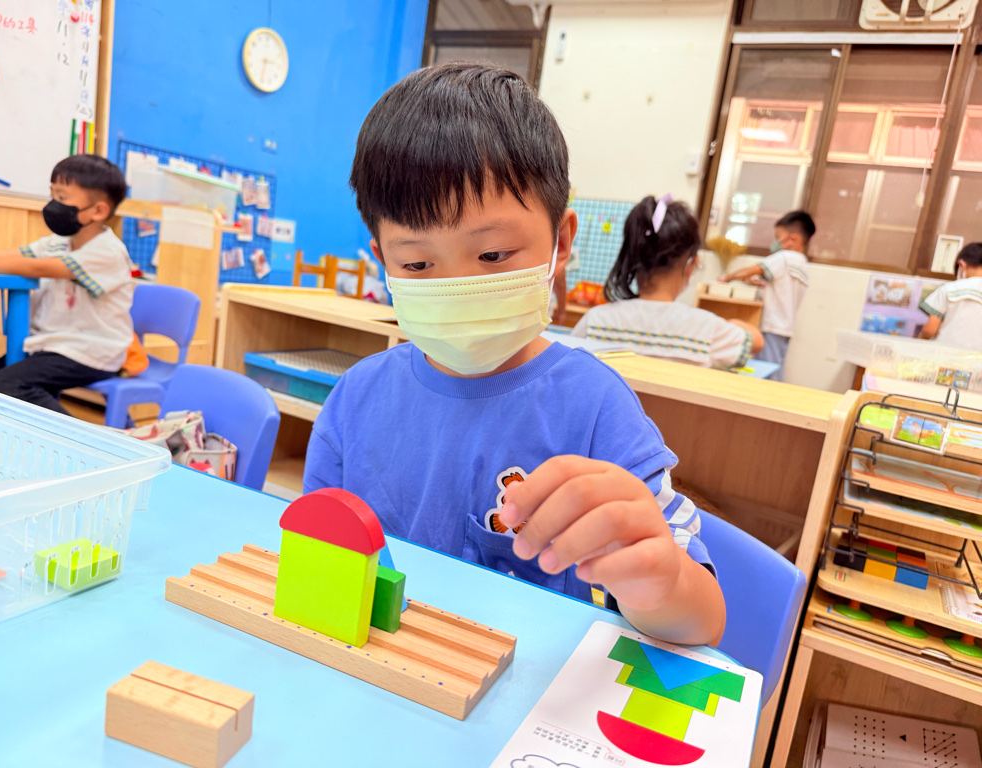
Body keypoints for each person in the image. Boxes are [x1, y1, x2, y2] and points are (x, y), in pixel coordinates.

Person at [304, 63, 725, 646]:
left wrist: (660, 581)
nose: (457, 285)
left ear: (561, 242)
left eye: (494, 254)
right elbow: (318, 560)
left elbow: (702, 619)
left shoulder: (595, 407)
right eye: (418, 263)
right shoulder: (357, 399)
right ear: (382, 258)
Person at [0, 155, 133, 414]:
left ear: (98, 211)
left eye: (62, 198)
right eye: (52, 195)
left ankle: (77, 438)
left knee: (11, 383)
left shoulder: (108, 252)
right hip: (51, 346)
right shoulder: (56, 243)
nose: (53, 204)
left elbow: (34, 267)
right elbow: (6, 256)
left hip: (92, 351)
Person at [571, 195, 763, 369]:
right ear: (691, 265)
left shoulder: (594, 322)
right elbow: (756, 342)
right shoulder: (707, 329)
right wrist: (733, 322)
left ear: (632, 258)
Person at [721, 210, 813, 381]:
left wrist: (727, 278)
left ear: (792, 239)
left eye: (778, 237)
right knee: (776, 370)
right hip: (785, 328)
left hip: (772, 326)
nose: (775, 242)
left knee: (765, 372)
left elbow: (751, 270)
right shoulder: (802, 264)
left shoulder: (783, 257)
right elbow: (777, 284)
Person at [918, 242, 982, 351]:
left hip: (945, 353)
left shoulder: (949, 289)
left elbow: (929, 330)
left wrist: (918, 341)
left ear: (962, 265)